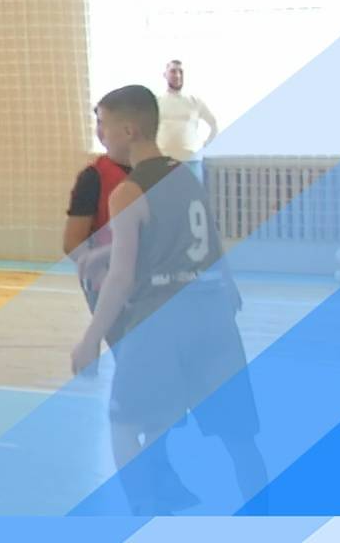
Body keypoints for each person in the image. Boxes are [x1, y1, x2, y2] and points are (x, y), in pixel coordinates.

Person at [71, 84, 266, 516]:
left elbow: (121, 279)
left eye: (102, 125)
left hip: (161, 321)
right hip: (213, 314)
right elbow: (194, 238)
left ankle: (145, 516)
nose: (100, 135)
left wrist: (90, 338)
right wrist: (107, 250)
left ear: (129, 130)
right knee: (240, 439)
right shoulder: (186, 175)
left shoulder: (127, 192)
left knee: (124, 424)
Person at [64, 139, 132, 317]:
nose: (100, 132)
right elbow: (72, 242)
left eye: (103, 124)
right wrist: (101, 276)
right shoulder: (93, 177)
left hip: (154, 286)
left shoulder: (165, 174)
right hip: (110, 286)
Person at [157, 60, 220, 175]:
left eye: (180, 72)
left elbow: (214, 124)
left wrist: (206, 144)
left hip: (192, 162)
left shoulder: (195, 101)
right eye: (173, 71)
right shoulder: (157, 102)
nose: (177, 75)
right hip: (164, 162)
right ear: (165, 74)